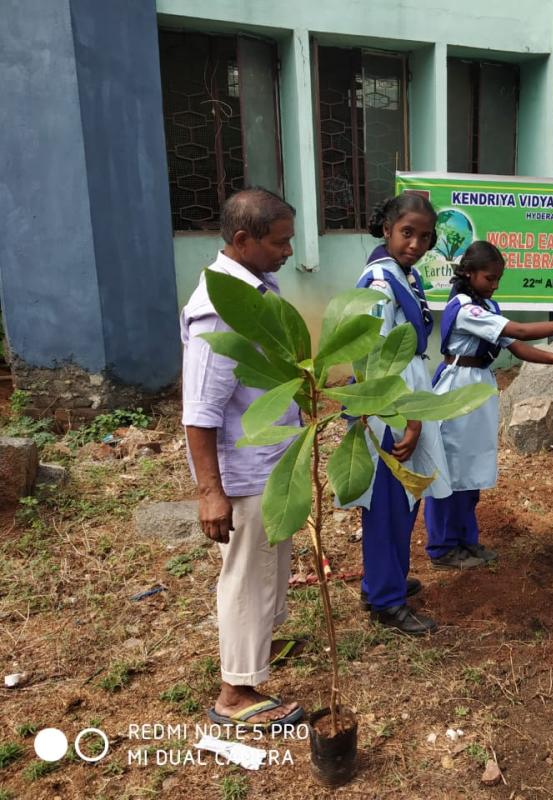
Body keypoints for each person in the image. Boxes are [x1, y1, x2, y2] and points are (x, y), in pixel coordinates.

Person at [182, 187, 305, 728]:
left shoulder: (254, 288)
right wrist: (210, 492)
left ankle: (259, 649)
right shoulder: (218, 311)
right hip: (244, 472)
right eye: (280, 242)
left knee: (270, 565)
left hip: (271, 459)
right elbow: (200, 410)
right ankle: (236, 694)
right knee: (248, 574)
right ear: (242, 240)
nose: (288, 251)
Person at [424, 242, 553, 568]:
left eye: (498, 279)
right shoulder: (464, 308)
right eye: (490, 278)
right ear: (469, 273)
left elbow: (514, 345)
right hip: (458, 387)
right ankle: (443, 548)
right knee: (450, 469)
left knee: (472, 466)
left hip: (479, 386)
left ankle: (466, 540)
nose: (495, 284)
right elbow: (518, 329)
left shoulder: (486, 304)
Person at [348, 193, 452, 635]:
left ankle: (382, 581)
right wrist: (406, 418)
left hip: (406, 396)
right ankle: (385, 601)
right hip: (388, 406)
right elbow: (374, 359)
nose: (417, 244)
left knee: (403, 498)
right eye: (408, 233)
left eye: (425, 237)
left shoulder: (402, 276)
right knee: (388, 503)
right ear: (387, 228)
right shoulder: (379, 282)